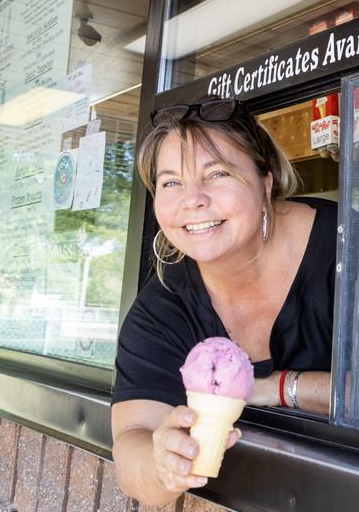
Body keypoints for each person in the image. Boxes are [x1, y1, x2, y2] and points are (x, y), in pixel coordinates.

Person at [110, 96, 337, 505]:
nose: (191, 199)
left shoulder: (348, 250)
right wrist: (162, 462)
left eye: (217, 174)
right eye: (171, 182)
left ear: (266, 183)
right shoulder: (165, 303)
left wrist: (275, 388)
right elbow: (132, 456)